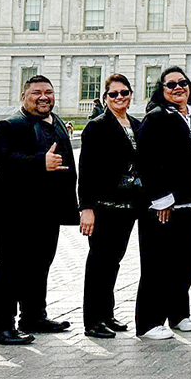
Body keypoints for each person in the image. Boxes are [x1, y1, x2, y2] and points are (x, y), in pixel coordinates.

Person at [0, 74, 78, 345]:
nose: (43, 97)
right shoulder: (9, 125)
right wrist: (41, 162)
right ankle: (2, 326)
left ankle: (34, 316)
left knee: (40, 265)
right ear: (24, 96)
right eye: (36, 92)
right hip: (13, 212)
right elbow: (1, 160)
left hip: (47, 212)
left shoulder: (57, 122)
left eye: (48, 92)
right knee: (10, 268)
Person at [135, 67, 191, 340]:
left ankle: (178, 314)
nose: (178, 88)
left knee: (186, 262)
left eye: (182, 83)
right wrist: (161, 199)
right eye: (171, 84)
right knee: (157, 265)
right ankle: (149, 322)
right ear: (161, 90)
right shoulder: (156, 118)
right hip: (164, 206)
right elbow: (147, 162)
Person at [78, 73, 143, 340]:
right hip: (103, 207)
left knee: (113, 263)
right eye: (114, 94)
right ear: (105, 98)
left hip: (127, 207)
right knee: (99, 265)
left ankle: (107, 314)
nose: (120, 98)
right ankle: (93, 320)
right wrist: (87, 208)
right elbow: (87, 170)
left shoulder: (136, 124)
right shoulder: (97, 126)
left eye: (124, 93)